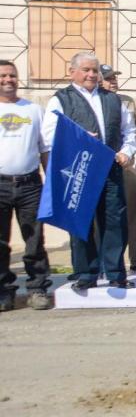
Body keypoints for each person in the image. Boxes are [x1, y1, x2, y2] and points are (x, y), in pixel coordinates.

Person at [42, 51, 136, 291]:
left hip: (110, 170)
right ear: (72, 71)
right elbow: (49, 136)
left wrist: (127, 151)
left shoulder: (113, 99)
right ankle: (86, 273)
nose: (91, 74)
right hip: (80, 171)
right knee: (82, 222)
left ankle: (116, 272)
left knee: (115, 221)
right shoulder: (60, 100)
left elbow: (130, 132)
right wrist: (78, 139)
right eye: (86, 70)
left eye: (94, 70)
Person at [0, 60, 51, 310]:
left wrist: (49, 179)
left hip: (30, 183)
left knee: (34, 238)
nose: (8, 80)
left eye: (12, 75)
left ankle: (37, 288)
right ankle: (4, 292)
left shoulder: (32, 109)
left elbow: (44, 149)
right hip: (0, 185)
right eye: (3, 76)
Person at [101, 64, 136, 275]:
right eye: (108, 78)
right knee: (102, 215)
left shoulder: (126, 101)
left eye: (114, 77)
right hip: (101, 166)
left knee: (135, 211)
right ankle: (105, 262)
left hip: (126, 163)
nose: (113, 81)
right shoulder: (92, 103)